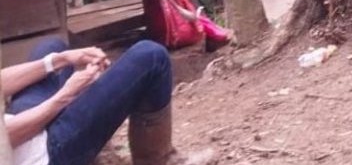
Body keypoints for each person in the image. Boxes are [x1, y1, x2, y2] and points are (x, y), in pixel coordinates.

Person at [3, 38, 212, 165]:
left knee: (51, 48)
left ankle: (91, 145)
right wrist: (65, 96)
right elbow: (6, 136)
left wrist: (62, 59)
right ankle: (159, 160)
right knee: (151, 57)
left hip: (18, 127)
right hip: (42, 153)